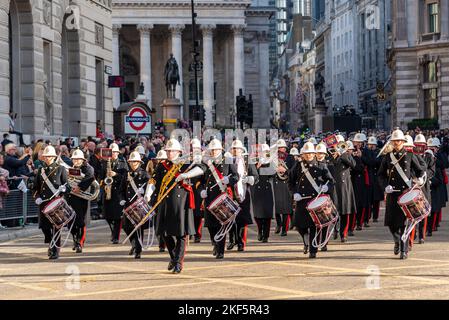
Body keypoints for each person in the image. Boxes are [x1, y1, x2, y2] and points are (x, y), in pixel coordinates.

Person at [150, 138, 204, 273]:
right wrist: (148, 192)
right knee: (165, 233)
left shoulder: (185, 163)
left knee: (181, 234)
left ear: (179, 152)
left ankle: (178, 262)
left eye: (172, 151)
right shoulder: (162, 165)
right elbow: (153, 180)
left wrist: (186, 175)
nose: (169, 153)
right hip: (165, 202)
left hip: (181, 203)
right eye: (168, 151)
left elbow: (202, 168)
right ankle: (174, 257)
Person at [378, 129, 425, 260]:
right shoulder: (387, 157)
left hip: (406, 194)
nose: (397, 142)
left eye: (399, 140)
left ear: (403, 142)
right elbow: (380, 175)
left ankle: (404, 250)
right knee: (391, 223)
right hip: (393, 193)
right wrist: (385, 186)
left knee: (404, 223)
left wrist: (420, 179)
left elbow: (420, 170)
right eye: (395, 141)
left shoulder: (410, 155)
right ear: (392, 142)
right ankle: (397, 241)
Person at [288, 142, 334, 258]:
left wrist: (326, 187)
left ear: (314, 154)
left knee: (314, 226)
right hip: (302, 200)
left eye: (310, 153)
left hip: (315, 200)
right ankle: (305, 240)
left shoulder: (321, 165)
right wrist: (294, 193)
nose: (308, 156)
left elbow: (331, 181)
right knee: (299, 225)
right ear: (303, 154)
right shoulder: (298, 166)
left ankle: (313, 251)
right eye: (306, 154)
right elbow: (290, 182)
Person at [200, 138, 238, 259]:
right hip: (209, 197)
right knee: (211, 225)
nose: (214, 151)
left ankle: (220, 250)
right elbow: (200, 180)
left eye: (216, 149)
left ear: (220, 150)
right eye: (212, 150)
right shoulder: (206, 162)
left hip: (222, 196)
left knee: (221, 224)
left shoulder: (226, 160)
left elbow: (236, 176)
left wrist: (229, 180)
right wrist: (201, 190)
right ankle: (215, 243)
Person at [33, 145, 68, 260]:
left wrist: (64, 190)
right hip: (44, 203)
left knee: (56, 228)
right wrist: (36, 197)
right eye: (46, 156)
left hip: (56, 202)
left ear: (53, 157)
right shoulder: (40, 171)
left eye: (50, 156)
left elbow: (66, 185)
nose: (47, 158)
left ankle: (55, 250)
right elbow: (35, 188)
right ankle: (50, 243)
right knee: (45, 227)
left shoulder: (61, 169)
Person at [227, 140, 258, 252]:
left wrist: (250, 179)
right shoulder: (227, 161)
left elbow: (255, 175)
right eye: (234, 149)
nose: (235, 151)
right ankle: (231, 240)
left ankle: (241, 242)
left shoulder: (247, 161)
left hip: (243, 193)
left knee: (242, 220)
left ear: (241, 150)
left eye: (237, 149)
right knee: (230, 219)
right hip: (230, 193)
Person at [122, 151, 151, 259]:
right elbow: (121, 190)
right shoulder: (126, 174)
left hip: (139, 205)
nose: (133, 163)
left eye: (135, 162)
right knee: (126, 226)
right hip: (128, 204)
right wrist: (122, 200)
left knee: (138, 228)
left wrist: (144, 192)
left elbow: (150, 188)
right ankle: (134, 244)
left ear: (139, 162)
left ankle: (138, 250)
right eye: (131, 162)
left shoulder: (145, 174)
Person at [66, 149, 95, 253]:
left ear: (82, 159)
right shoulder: (70, 168)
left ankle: (80, 243)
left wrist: (79, 187)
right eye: (74, 159)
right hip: (71, 198)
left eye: (78, 159)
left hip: (82, 198)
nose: (76, 161)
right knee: (71, 222)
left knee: (80, 221)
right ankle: (75, 239)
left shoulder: (88, 168)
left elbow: (89, 177)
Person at [100, 143, 128, 244]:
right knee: (107, 215)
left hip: (117, 192)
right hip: (108, 190)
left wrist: (116, 174)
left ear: (118, 152)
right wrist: (103, 183)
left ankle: (116, 236)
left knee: (117, 216)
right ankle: (113, 232)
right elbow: (101, 176)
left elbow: (125, 177)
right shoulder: (104, 162)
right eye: (112, 152)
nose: (114, 154)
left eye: (115, 152)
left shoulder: (122, 162)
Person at [251, 144, 275, 243]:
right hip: (256, 188)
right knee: (258, 213)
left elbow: (272, 173)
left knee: (267, 214)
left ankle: (266, 235)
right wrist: (257, 167)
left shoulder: (271, 162)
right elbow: (250, 173)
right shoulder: (254, 161)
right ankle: (260, 231)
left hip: (267, 189)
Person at [273, 139, 294, 236]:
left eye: (282, 147)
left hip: (286, 183)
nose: (281, 149)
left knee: (286, 207)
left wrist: (285, 170)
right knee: (277, 206)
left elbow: (293, 172)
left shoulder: (290, 158)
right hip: (277, 182)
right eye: (279, 148)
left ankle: (284, 229)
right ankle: (279, 224)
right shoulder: (273, 157)